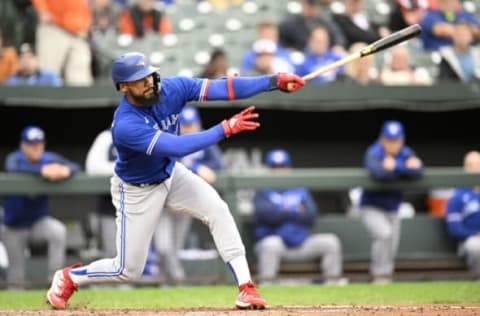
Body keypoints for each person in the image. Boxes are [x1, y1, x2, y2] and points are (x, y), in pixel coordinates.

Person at [45, 51, 305, 310]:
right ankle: (70, 277)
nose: (148, 82)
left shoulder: (173, 88)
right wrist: (224, 128)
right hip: (138, 189)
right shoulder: (126, 125)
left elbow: (224, 87)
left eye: (149, 75)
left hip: (170, 173)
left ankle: (246, 288)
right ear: (123, 87)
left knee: (218, 208)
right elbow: (177, 146)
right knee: (128, 270)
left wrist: (274, 81)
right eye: (139, 79)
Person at [253, 149, 347, 285]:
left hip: (302, 242)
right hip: (277, 243)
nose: (279, 171)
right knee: (271, 245)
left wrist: (282, 211)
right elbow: (267, 215)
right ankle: (267, 286)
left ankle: (332, 285)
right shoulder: (262, 189)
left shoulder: (298, 187)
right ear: (268, 169)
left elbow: (311, 215)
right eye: (275, 168)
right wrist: (294, 210)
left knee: (331, 242)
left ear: (288, 168)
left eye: (282, 167)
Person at [154, 105, 225, 283]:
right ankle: (179, 281)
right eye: (185, 125)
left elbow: (218, 165)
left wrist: (206, 169)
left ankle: (165, 285)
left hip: (184, 203)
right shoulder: (169, 139)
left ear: (198, 124)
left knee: (174, 249)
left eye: (192, 125)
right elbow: (165, 162)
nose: (188, 129)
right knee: (164, 248)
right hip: (163, 202)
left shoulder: (204, 141)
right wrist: (195, 167)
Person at [2, 126, 80, 286]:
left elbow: (75, 167)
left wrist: (65, 170)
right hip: (13, 226)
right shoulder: (14, 158)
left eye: (39, 144)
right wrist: (42, 170)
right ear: (22, 145)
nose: (36, 147)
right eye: (31, 144)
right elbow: (12, 168)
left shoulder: (49, 158)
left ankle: (55, 282)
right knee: (16, 275)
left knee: (58, 230)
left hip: (37, 222)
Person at [359, 120, 423, 284]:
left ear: (401, 140)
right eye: (389, 140)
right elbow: (379, 174)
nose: (392, 144)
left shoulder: (405, 152)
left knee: (391, 244)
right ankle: (379, 275)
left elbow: (418, 171)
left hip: (393, 207)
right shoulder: (374, 151)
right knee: (384, 234)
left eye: (395, 141)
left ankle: (385, 276)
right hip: (371, 206)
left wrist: (396, 166)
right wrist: (403, 169)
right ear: (382, 139)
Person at [31, 0, 93, 86]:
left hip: (80, 32)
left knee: (80, 80)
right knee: (48, 75)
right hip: (54, 27)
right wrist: (42, 9)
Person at [445, 150, 480, 278]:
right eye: (470, 165)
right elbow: (455, 229)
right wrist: (476, 235)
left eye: (478, 164)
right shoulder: (457, 196)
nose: (475, 168)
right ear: (465, 168)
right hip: (469, 240)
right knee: (476, 246)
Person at [85, 128, 118, 259]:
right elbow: (92, 167)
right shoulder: (107, 137)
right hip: (110, 206)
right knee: (112, 255)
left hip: (142, 206)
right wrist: (126, 168)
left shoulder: (146, 135)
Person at [279, 0, 346, 52]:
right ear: (303, 6)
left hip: (321, 54)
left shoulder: (324, 21)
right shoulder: (291, 22)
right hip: (299, 54)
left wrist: (338, 45)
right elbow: (281, 39)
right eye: (308, 7)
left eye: (314, 7)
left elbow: (337, 35)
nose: (311, 10)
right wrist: (287, 50)